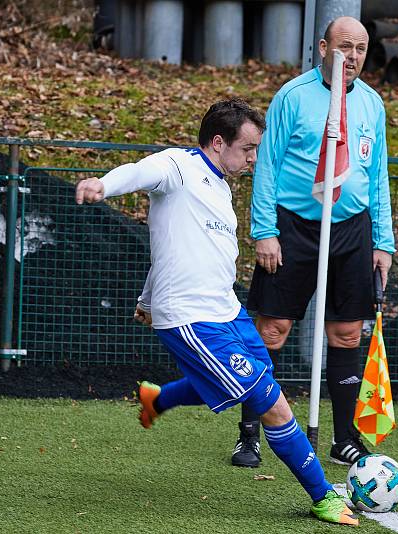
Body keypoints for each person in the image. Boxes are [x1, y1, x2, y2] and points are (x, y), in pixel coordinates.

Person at [74, 99, 359, 526]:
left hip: (228, 310)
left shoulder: (221, 186)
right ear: (219, 142)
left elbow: (174, 249)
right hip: (191, 319)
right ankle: (322, 495)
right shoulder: (178, 166)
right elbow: (137, 173)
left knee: (251, 383)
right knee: (272, 402)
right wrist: (103, 184)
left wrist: (147, 298)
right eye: (247, 149)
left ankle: (158, 398)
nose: (253, 158)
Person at [238, 16, 395, 468]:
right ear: (324, 48)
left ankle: (344, 438)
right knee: (273, 330)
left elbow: (377, 175)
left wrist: (382, 241)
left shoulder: (371, 105)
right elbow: (265, 167)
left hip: (352, 229)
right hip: (293, 227)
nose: (354, 56)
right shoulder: (292, 96)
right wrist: (264, 231)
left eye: (362, 48)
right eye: (346, 46)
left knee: (346, 333)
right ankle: (251, 433)